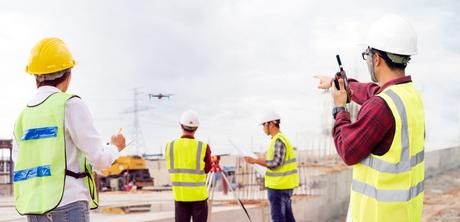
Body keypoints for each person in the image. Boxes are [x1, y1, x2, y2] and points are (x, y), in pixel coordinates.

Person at [315, 15, 424, 222]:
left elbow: (348, 150)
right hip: (405, 214)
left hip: (377, 216)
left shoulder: (381, 106)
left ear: (376, 59)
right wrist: (335, 83)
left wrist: (339, 108)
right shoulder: (410, 95)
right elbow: (372, 92)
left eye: (367, 54)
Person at [12, 37, 126, 222]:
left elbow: (21, 165)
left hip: (34, 208)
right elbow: (99, 159)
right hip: (68, 204)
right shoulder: (70, 105)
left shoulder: (23, 116)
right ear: (68, 74)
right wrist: (115, 147)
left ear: (35, 76)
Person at [244, 111, 298, 222]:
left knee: (277, 218)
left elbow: (275, 163)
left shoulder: (278, 140)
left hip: (278, 187)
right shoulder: (280, 139)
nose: (263, 128)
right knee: (288, 219)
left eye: (264, 125)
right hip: (284, 186)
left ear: (271, 124)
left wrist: (255, 160)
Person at [165, 110, 213, 222]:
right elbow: (207, 168)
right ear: (196, 128)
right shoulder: (203, 147)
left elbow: (171, 165)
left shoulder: (170, 146)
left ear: (181, 125)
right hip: (199, 198)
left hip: (180, 196)